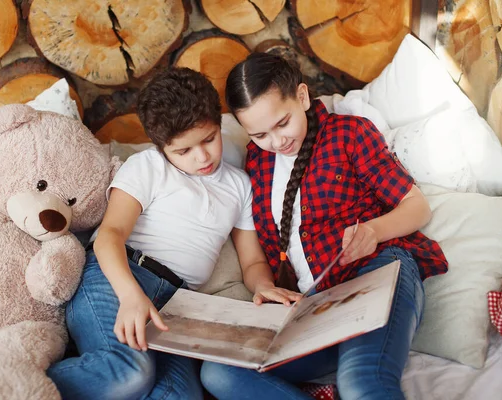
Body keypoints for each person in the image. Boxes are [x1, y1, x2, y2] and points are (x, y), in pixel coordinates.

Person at [199, 53, 449, 400]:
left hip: (376, 272)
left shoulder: (349, 134)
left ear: (302, 97)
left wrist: (373, 231)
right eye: (259, 134)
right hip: (316, 306)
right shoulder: (256, 162)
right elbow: (256, 262)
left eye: (283, 123)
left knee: (361, 383)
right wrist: (262, 286)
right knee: (220, 373)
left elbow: (417, 207)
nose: (276, 141)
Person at [45, 67, 301, 400]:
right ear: (162, 147)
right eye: (184, 151)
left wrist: (265, 285)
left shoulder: (240, 185)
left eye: (209, 139)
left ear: (219, 123)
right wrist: (130, 295)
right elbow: (110, 235)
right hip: (118, 278)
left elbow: (252, 260)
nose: (203, 156)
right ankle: (1, 388)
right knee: (129, 370)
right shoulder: (148, 166)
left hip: (179, 306)